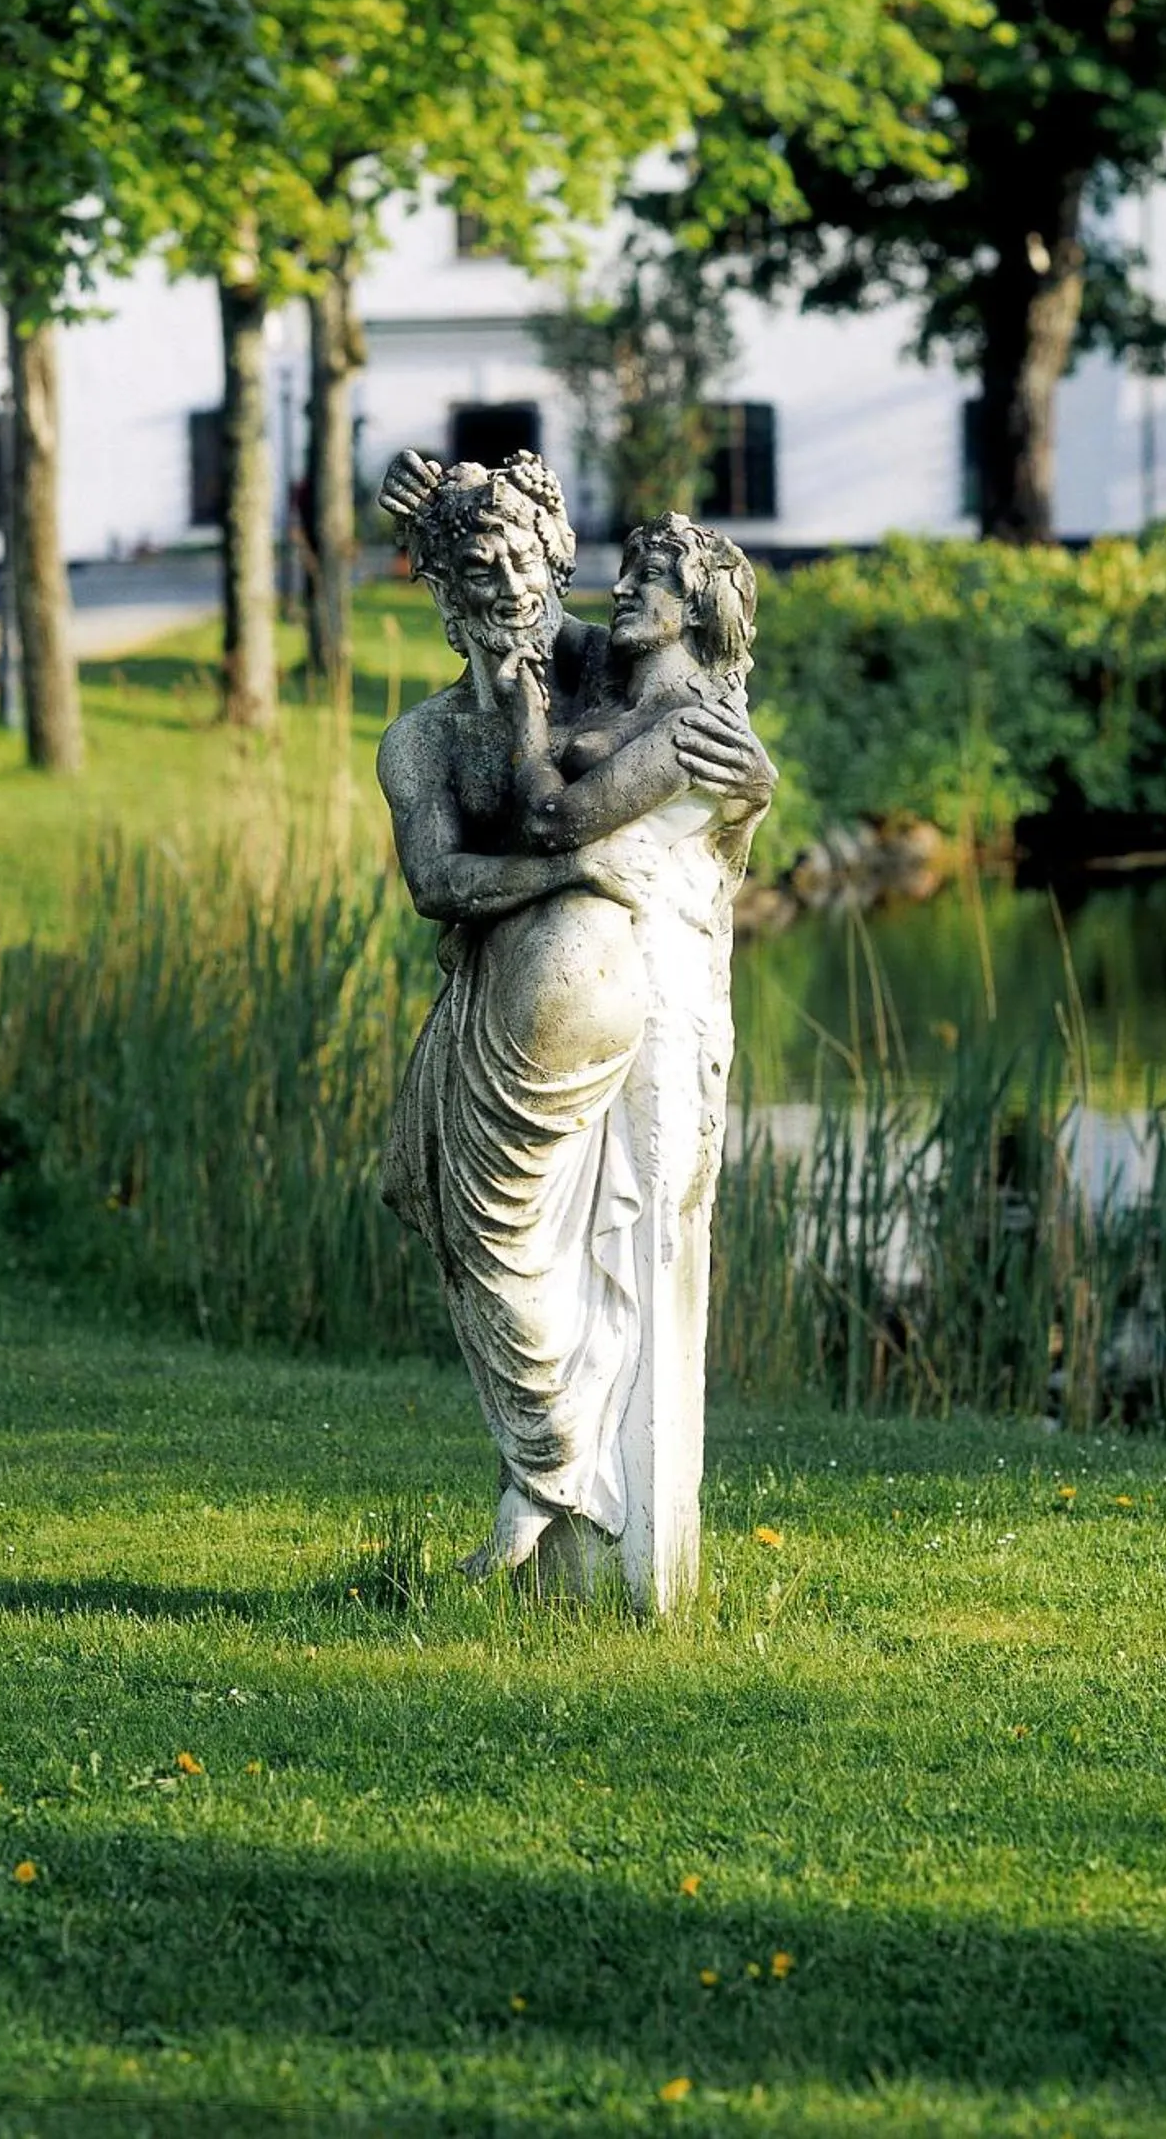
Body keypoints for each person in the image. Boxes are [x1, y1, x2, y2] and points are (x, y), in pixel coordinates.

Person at [376, 453, 772, 1602]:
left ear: (557, 557)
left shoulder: (609, 670)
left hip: (609, 996)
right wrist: (558, 877)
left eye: (518, 552)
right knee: (454, 1214)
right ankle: (548, 1467)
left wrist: (755, 783)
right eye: (466, 567)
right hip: (492, 997)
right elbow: (436, 877)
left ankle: (556, 1475)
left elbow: (704, 699)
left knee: (558, 1225)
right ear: (441, 598)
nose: (499, 579)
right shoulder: (424, 738)